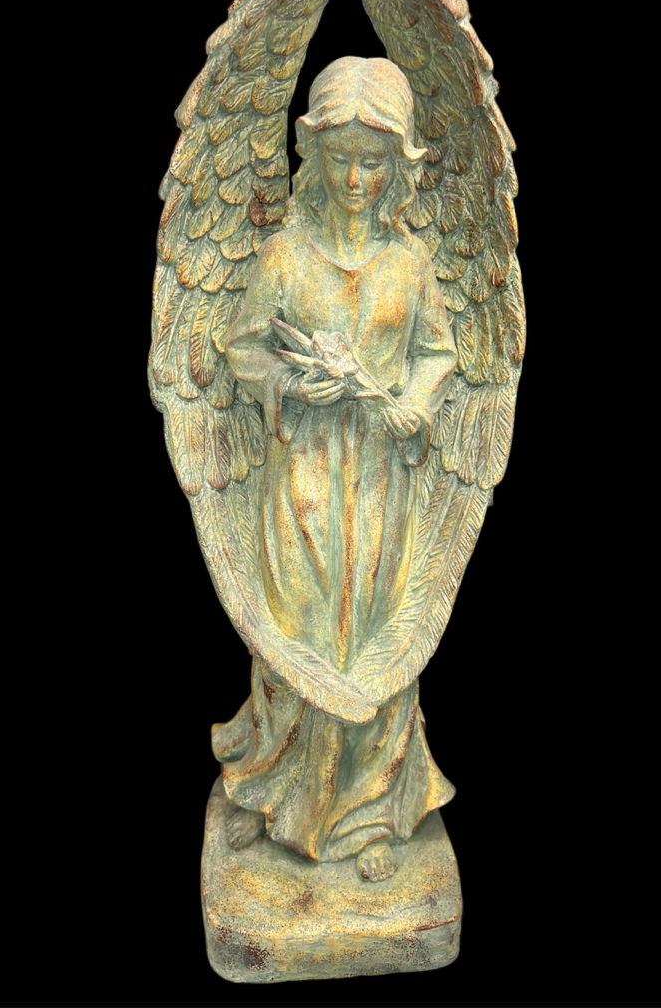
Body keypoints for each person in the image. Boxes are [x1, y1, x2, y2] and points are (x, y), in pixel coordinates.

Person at [217, 57, 458, 882]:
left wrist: (415, 400)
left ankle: (370, 815)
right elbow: (244, 349)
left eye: (374, 163)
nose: (356, 180)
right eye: (342, 160)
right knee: (296, 629)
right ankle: (270, 792)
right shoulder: (284, 258)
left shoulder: (409, 264)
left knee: (376, 642)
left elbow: (436, 354)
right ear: (313, 156)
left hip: (382, 485)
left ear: (398, 168)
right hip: (304, 480)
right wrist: (292, 385)